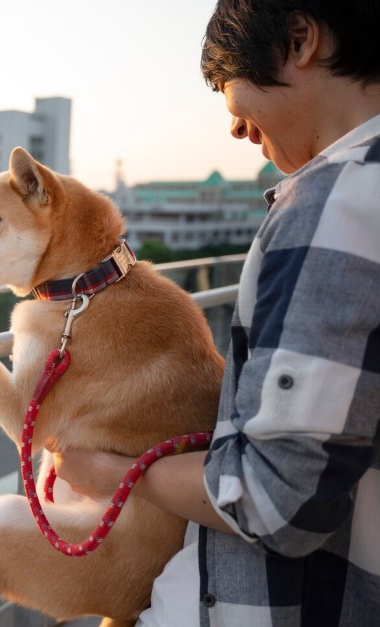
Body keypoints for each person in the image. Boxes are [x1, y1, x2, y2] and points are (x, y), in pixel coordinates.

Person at [53, 1, 380, 625]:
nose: (234, 127)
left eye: (230, 86)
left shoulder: (332, 205)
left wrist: (118, 473)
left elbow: (278, 502)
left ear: (299, 40)